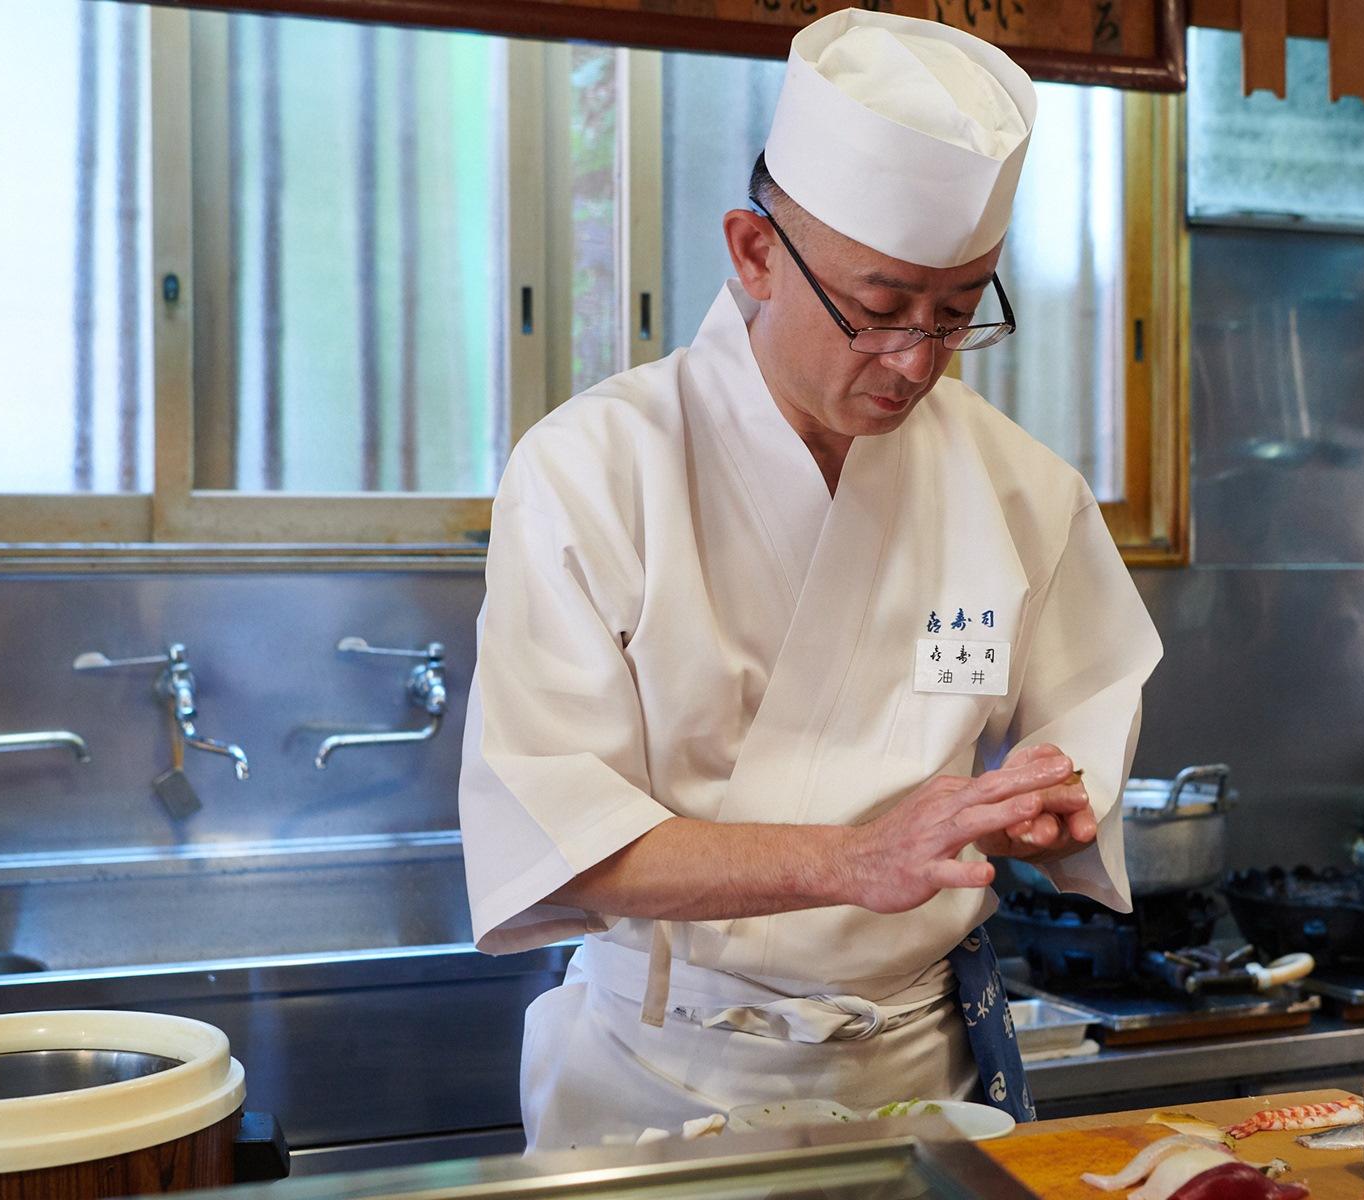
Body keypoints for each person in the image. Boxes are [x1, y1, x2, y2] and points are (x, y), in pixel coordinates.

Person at [459, 8, 1162, 1149]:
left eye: (956, 313)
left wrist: (1052, 799)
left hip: (922, 1071)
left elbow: (1088, 707)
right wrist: (855, 860)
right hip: (657, 1079)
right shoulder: (595, 470)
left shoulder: (1018, 487)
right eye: (879, 311)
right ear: (754, 253)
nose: (916, 363)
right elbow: (564, 834)